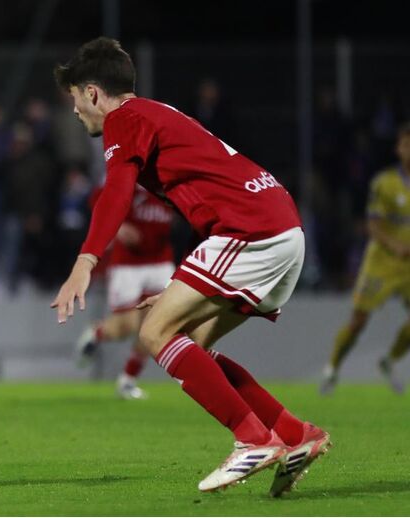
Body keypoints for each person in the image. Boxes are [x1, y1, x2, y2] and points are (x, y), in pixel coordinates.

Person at [49, 37, 329, 496]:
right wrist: (185, 285)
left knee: (154, 332)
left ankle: (253, 439)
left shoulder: (125, 119)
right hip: (279, 225)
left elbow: (117, 192)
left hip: (252, 230)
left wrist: (85, 261)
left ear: (94, 93)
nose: (76, 110)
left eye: (76, 98)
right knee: (193, 342)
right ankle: (297, 435)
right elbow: (206, 194)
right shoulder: (157, 113)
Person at [320, 123, 410, 395]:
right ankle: (332, 367)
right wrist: (396, 245)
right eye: (407, 144)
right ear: (398, 148)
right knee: (359, 321)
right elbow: (373, 225)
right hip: (382, 261)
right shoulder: (385, 183)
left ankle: (389, 360)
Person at [75, 185, 174, 400]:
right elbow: (97, 199)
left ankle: (128, 381)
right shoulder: (133, 179)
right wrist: (117, 227)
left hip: (160, 260)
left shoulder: (171, 181)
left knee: (156, 326)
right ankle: (97, 332)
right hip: (128, 264)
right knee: (127, 326)